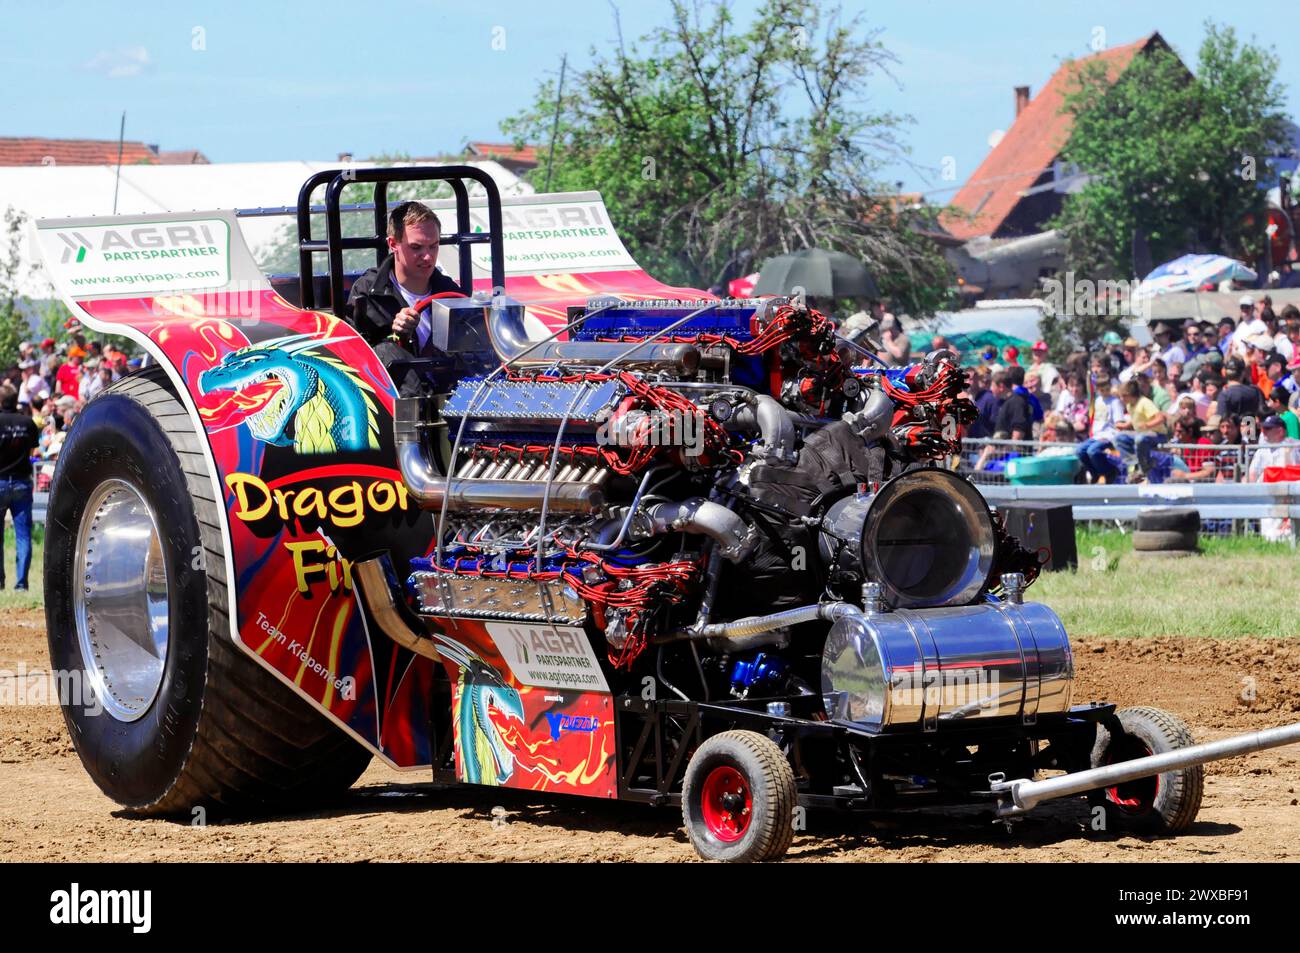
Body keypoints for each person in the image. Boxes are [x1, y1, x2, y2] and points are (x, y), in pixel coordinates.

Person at [345, 200, 464, 397]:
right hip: (396, 408)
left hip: (448, 401)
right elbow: (357, 358)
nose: (427, 257)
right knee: (388, 350)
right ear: (393, 244)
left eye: (433, 246)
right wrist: (395, 336)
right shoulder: (368, 292)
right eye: (416, 247)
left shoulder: (450, 291)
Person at [0, 386, 39, 590]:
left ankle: (0, 581)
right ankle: (21, 583)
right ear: (16, 400)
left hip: (0, 481)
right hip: (22, 482)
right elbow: (33, 448)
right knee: (23, 535)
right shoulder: (27, 423)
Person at [1113, 378, 1167, 477]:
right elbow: (1136, 419)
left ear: (1132, 394)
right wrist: (1125, 426)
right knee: (1119, 438)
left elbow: (1161, 418)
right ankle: (1134, 463)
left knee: (1140, 438)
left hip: (1157, 435)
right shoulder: (1130, 405)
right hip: (1140, 433)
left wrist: (1147, 425)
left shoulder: (1144, 403)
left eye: (1124, 396)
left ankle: (1144, 467)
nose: (1121, 399)